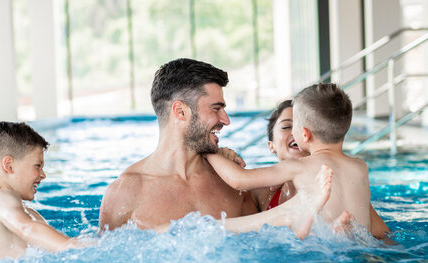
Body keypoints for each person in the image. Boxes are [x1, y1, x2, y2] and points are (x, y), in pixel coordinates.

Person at [99, 58, 347, 237]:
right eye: (216, 109)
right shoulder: (125, 193)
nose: (226, 120)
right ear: (180, 111)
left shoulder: (232, 182)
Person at [206, 83, 378, 235]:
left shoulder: (298, 166)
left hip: (320, 250)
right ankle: (334, 231)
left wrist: (208, 150)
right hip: (363, 247)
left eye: (293, 125)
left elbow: (239, 179)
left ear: (304, 133)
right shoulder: (360, 166)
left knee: (209, 227)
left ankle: (311, 227)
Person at [253, 99, 391, 239]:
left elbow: (385, 238)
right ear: (271, 145)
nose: (296, 132)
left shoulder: (337, 187)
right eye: (287, 126)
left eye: (301, 126)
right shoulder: (260, 192)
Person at [0, 122, 86, 262]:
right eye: (37, 166)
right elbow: (27, 228)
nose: (43, 175)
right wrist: (73, 245)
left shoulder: (12, 206)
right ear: (9, 165)